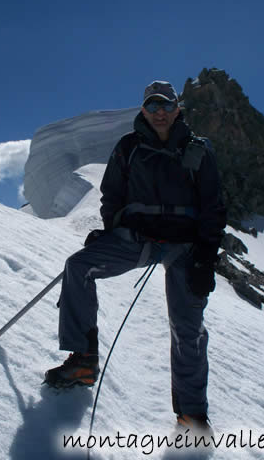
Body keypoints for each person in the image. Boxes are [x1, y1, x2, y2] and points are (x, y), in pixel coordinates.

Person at [44, 80, 227, 430]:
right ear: (143, 109)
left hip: (185, 248)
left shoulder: (198, 150)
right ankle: (83, 359)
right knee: (79, 266)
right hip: (137, 238)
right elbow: (112, 194)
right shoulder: (128, 148)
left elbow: (213, 207)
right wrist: (110, 228)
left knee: (187, 329)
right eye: (153, 106)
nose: (160, 113)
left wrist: (206, 256)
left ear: (178, 109)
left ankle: (192, 415)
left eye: (167, 106)